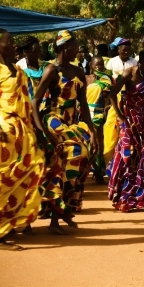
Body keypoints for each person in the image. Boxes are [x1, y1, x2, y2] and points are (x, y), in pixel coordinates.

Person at [0, 28, 45, 250]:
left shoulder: (17, 70)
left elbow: (26, 101)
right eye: (9, 42)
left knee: (20, 177)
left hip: (21, 130)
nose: (14, 46)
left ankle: (10, 223)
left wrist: (33, 128)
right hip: (2, 131)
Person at [31, 30, 97, 235]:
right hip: (53, 119)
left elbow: (83, 104)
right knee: (76, 153)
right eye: (76, 48)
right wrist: (40, 131)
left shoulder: (78, 72)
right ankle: (58, 214)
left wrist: (93, 130)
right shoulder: (52, 69)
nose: (78, 51)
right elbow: (35, 102)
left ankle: (63, 210)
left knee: (81, 158)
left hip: (71, 122)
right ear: (65, 48)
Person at [108, 51, 144, 212]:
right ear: (140, 63)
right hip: (129, 118)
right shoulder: (128, 73)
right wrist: (120, 116)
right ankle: (124, 197)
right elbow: (112, 93)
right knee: (128, 155)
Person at [104, 37, 137, 168]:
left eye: (128, 50)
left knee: (129, 130)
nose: (126, 52)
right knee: (110, 128)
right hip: (115, 99)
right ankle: (108, 161)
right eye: (123, 50)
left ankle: (128, 163)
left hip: (129, 99)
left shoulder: (134, 62)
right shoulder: (111, 63)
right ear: (118, 50)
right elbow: (106, 83)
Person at [85, 56, 113, 184]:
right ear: (91, 65)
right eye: (96, 65)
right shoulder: (85, 79)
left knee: (99, 143)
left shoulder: (106, 80)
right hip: (86, 114)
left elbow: (109, 97)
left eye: (101, 65)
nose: (99, 67)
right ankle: (89, 170)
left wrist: (107, 107)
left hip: (99, 114)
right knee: (89, 143)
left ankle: (99, 171)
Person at [15, 35, 47, 100]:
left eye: (39, 51)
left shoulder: (45, 66)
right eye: (34, 52)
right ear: (25, 52)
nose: (38, 54)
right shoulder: (20, 66)